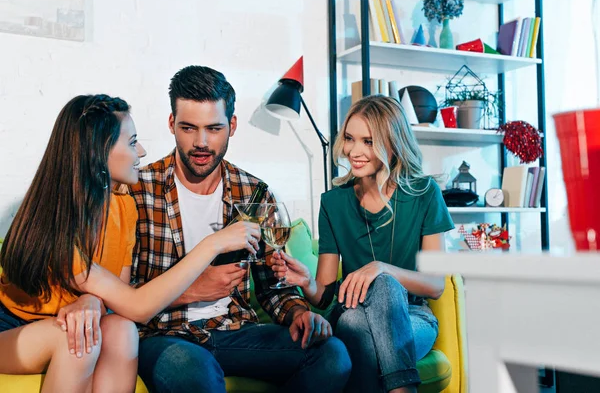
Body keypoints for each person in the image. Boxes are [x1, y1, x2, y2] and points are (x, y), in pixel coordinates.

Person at [0, 94, 259, 393]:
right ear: (99, 151)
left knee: (121, 329)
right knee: (76, 338)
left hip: (68, 320)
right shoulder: (55, 221)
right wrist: (213, 244)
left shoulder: (124, 206)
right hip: (14, 326)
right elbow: (139, 307)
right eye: (132, 141)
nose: (142, 151)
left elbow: (120, 301)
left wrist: (92, 300)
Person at [128, 65, 351, 393]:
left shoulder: (253, 192)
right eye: (189, 128)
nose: (201, 143)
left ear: (232, 126)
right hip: (165, 335)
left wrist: (298, 313)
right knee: (192, 371)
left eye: (214, 128)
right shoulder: (138, 191)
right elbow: (120, 297)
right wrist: (194, 290)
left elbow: (273, 286)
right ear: (172, 124)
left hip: (235, 331)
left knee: (332, 355)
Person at [271, 95, 455, 393]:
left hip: (413, 316)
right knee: (355, 319)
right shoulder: (333, 202)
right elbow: (324, 296)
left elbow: (435, 285)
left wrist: (380, 269)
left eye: (368, 142)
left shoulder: (425, 193)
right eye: (350, 139)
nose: (354, 151)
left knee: (376, 295)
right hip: (351, 310)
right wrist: (306, 282)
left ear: (393, 143)